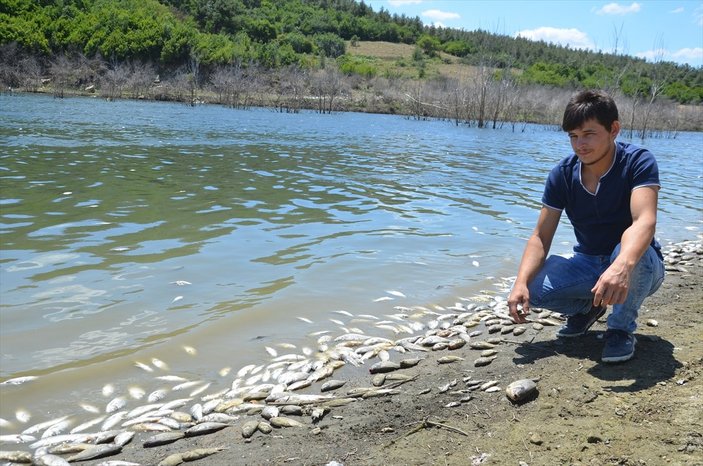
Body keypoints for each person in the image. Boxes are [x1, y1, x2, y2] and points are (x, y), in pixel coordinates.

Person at [507, 89, 665, 363]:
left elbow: (644, 221)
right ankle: (586, 310)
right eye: (573, 136)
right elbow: (541, 237)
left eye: (589, 134)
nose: (580, 144)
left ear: (613, 129)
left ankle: (620, 329)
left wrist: (620, 267)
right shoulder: (562, 174)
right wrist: (519, 283)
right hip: (589, 262)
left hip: (640, 264)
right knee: (531, 287)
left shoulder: (638, 161)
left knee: (626, 251)